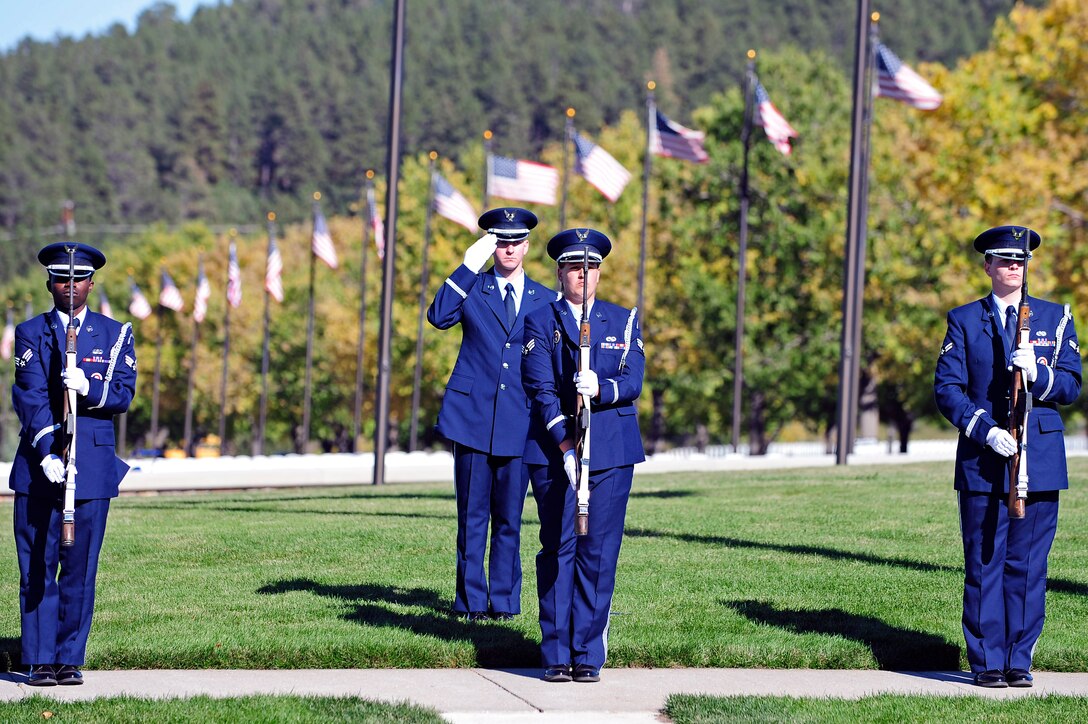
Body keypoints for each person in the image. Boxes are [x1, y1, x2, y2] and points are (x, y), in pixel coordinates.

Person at [934, 225, 1081, 688]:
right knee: (984, 562)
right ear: (988, 266)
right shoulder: (963, 320)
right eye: (1003, 260)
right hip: (984, 459)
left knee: (1027, 565)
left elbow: (1073, 385)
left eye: (1019, 261)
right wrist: (986, 429)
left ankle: (1019, 659)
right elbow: (948, 389)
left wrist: (1038, 374)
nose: (1012, 267)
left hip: (1038, 459)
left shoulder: (1054, 318)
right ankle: (987, 662)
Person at [9, 242, 137, 686]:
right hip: (41, 469)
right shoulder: (30, 332)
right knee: (38, 567)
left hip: (92, 469)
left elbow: (122, 394)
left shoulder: (115, 333)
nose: (70, 286)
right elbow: (28, 396)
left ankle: (68, 658)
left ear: (91, 283)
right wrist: (46, 452)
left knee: (80, 568)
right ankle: (39, 660)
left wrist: (88, 389)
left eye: (78, 278)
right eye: (62, 279)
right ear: (49, 283)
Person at [521, 228, 645, 683]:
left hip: (611, 452)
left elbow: (633, 380)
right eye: (575, 267)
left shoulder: (623, 319)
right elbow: (539, 388)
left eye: (591, 267)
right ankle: (555, 651)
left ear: (600, 272)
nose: (583, 275)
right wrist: (567, 446)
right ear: (560, 272)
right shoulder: (541, 320)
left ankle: (588, 653)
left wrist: (603, 389)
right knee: (558, 548)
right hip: (557, 454)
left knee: (598, 552)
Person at [427, 207, 554, 621]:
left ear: (527, 246)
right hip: (472, 419)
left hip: (521, 420)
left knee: (509, 521)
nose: (509, 248)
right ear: (490, 246)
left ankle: (504, 602)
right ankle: (469, 602)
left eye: (516, 241)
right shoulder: (472, 288)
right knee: (472, 518)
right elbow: (438, 316)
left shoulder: (544, 299)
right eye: (501, 241)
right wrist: (466, 266)